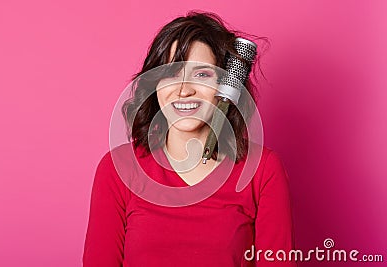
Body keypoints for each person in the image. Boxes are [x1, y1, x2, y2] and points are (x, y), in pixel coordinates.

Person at [83, 11, 296, 267]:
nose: (184, 89)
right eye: (171, 74)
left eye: (202, 74)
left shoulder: (263, 170)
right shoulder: (118, 169)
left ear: (226, 85)